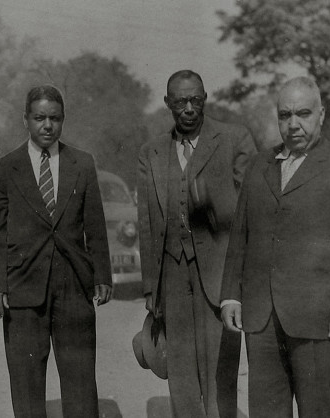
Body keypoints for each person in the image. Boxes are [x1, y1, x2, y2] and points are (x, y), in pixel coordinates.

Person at [220, 77, 330, 417]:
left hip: (316, 318)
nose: (293, 124)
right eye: (285, 115)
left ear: (321, 114)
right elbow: (240, 234)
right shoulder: (259, 165)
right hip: (261, 318)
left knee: (316, 410)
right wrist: (231, 294)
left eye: (303, 113)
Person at [0, 85, 113, 418]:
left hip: (74, 287)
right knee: (26, 385)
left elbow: (95, 225)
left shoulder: (82, 163)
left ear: (63, 120)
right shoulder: (4, 169)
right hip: (23, 288)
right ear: (25, 120)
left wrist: (102, 275)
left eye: (55, 118)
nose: (47, 126)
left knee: (81, 382)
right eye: (39, 118)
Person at [137, 70, 256, 417]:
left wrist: (213, 199)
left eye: (196, 100)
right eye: (180, 102)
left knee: (221, 376)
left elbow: (253, 209)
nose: (189, 108)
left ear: (205, 98)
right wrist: (151, 288)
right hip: (172, 277)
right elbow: (147, 222)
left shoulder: (235, 139)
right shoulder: (151, 152)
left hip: (221, 277)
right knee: (181, 378)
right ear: (167, 103)